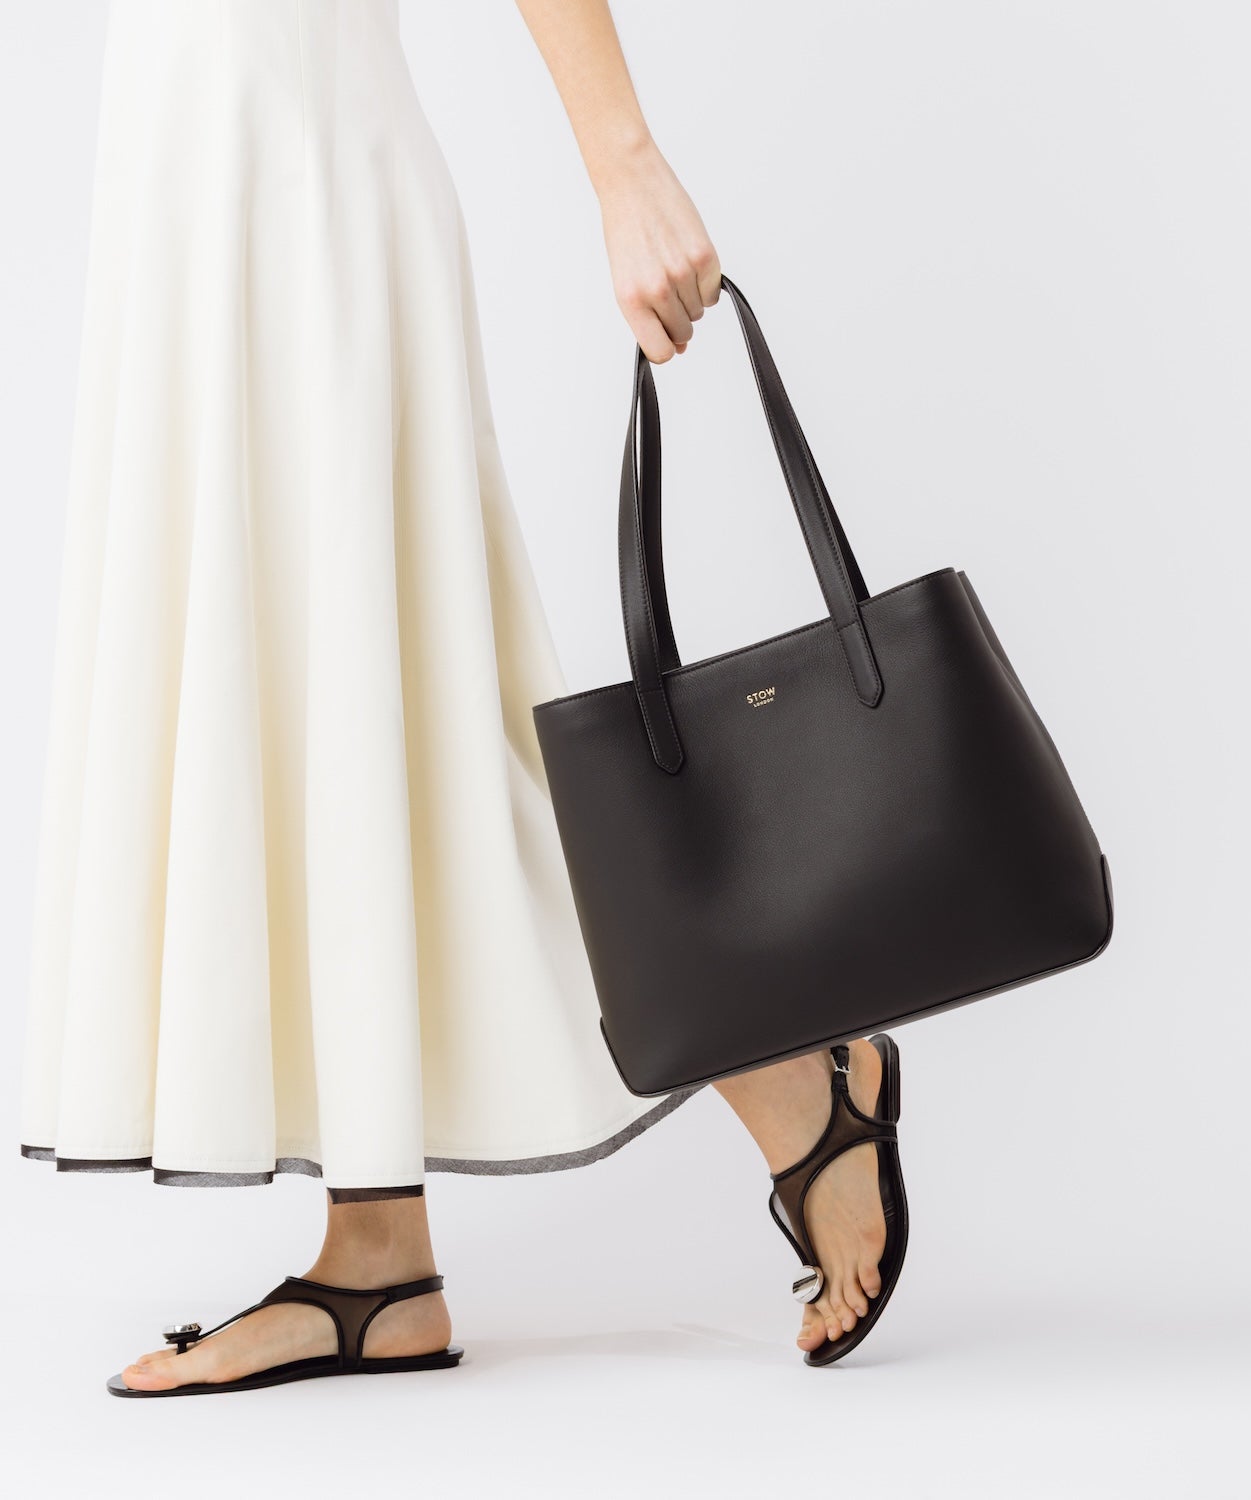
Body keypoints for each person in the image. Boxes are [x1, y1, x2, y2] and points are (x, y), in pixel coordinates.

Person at [19, 0, 906, 1394]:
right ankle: (378, 1255)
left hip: (302, 180)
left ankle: (797, 1082)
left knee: (414, 725)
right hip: (181, 182)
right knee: (328, 721)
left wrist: (624, 165)